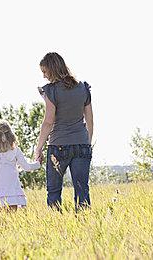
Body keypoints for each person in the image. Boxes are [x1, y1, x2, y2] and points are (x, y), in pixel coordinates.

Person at [35, 52, 94, 212]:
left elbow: (48, 121)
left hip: (58, 146)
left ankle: (56, 227)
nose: (44, 76)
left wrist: (39, 147)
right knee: (82, 190)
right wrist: (87, 142)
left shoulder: (51, 91)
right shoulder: (83, 87)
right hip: (81, 144)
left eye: (45, 71)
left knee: (54, 191)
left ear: (53, 70)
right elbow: (89, 118)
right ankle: (85, 225)